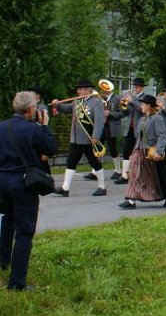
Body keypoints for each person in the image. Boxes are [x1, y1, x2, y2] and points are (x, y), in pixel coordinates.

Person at [1, 91, 57, 291]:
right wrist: (45, 126)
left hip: (3, 181)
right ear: (31, 109)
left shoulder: (2, 127)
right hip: (24, 184)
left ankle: (3, 260)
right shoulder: (34, 129)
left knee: (7, 219)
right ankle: (16, 283)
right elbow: (50, 149)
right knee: (24, 231)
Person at [51, 79, 107, 197]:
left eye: (80, 89)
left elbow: (99, 122)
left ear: (87, 90)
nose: (78, 91)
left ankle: (102, 187)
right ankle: (65, 188)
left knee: (94, 163)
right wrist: (58, 104)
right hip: (76, 139)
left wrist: (96, 136)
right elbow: (67, 109)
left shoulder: (96, 102)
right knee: (71, 162)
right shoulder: (77, 101)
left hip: (89, 139)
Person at [119, 95, 166, 209]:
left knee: (160, 175)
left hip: (152, 150)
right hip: (139, 150)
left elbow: (162, 136)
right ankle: (130, 199)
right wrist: (134, 150)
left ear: (149, 106)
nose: (141, 106)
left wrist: (159, 152)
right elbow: (138, 137)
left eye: (143, 104)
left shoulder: (157, 118)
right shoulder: (142, 119)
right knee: (134, 173)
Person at [115, 77, 148, 184]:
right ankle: (125, 175)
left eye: (137, 87)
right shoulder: (131, 97)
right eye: (134, 87)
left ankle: (143, 174)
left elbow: (143, 110)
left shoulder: (146, 98)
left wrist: (132, 101)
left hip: (140, 129)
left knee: (140, 153)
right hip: (129, 128)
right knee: (126, 151)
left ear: (142, 88)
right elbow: (125, 113)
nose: (135, 89)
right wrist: (124, 105)